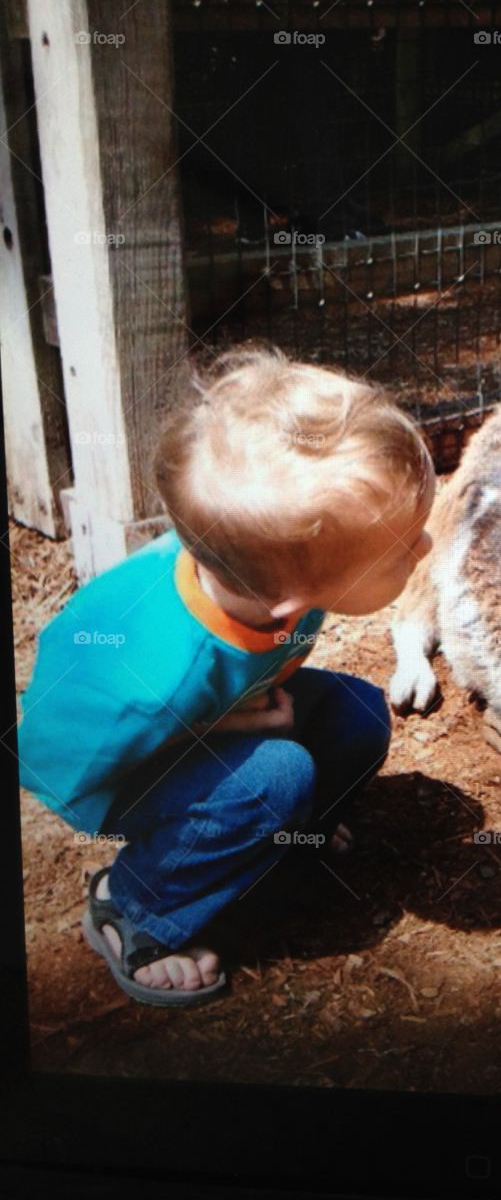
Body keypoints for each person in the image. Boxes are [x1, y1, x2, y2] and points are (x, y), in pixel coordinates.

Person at [17, 346, 435, 1006]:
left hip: (218, 713)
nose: (426, 549)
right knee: (272, 778)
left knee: (356, 714)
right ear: (298, 603)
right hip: (118, 767)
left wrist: (228, 723)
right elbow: (56, 761)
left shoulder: (265, 571)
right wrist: (209, 731)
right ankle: (135, 907)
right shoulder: (154, 676)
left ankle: (281, 837)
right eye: (405, 550)